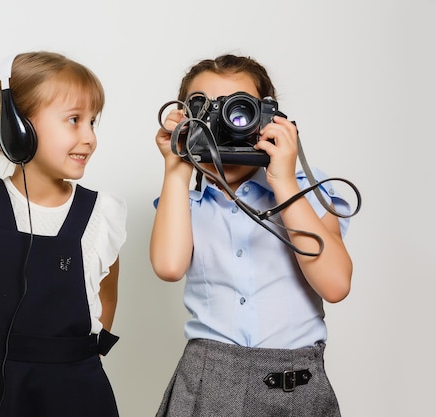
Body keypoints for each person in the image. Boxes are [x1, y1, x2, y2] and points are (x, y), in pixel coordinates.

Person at [150, 54, 354, 416]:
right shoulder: (185, 203)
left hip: (298, 387)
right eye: (207, 113)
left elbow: (336, 284)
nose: (225, 126)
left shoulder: (305, 191)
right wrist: (176, 168)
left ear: (269, 120)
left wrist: (284, 181)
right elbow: (168, 266)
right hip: (207, 384)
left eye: (237, 111)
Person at [0, 51, 126, 417]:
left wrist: (66, 355)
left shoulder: (103, 213)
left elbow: (105, 303)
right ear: (18, 126)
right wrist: (3, 349)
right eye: (74, 120)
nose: (89, 137)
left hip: (80, 391)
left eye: (93, 122)